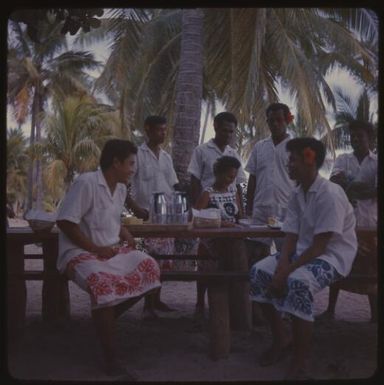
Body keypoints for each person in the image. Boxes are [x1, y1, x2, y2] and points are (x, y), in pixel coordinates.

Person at [249, 137, 357, 380]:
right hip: (304, 251)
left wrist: (285, 272)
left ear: (310, 160)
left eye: (293, 159)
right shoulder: (298, 192)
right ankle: (282, 339)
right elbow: (291, 235)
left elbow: (320, 247)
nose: (289, 164)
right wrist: (281, 265)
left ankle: (300, 361)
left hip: (332, 257)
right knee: (259, 273)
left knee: (298, 283)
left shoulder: (330, 194)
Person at [56, 139, 161, 379]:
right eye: (131, 164)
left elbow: (112, 217)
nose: (134, 169)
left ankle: (106, 316)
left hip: (110, 250)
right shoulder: (86, 183)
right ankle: (111, 359)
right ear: (116, 162)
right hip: (80, 253)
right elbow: (65, 222)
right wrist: (95, 248)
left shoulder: (122, 188)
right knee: (102, 284)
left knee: (150, 268)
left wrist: (125, 234)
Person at [187, 112, 247, 317]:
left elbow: (238, 186)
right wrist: (199, 207)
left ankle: (230, 306)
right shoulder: (202, 150)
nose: (228, 135)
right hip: (208, 211)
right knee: (205, 263)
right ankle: (199, 303)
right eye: (224, 130)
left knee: (229, 261)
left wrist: (242, 214)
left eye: (231, 131)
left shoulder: (234, 153)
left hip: (228, 210)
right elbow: (194, 180)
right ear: (215, 127)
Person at [318, 120, 377, 322]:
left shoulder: (377, 162)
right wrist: (362, 188)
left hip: (370, 222)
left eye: (360, 136)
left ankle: (375, 314)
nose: (355, 139)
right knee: (339, 261)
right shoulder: (343, 159)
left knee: (371, 266)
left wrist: (352, 187)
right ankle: (330, 309)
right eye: (352, 136)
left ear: (370, 139)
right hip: (346, 222)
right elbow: (336, 183)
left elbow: (377, 191)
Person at [125, 115, 179, 317]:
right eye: (158, 130)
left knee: (164, 261)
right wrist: (135, 208)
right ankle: (147, 305)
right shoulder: (138, 155)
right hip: (146, 216)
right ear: (147, 129)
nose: (162, 134)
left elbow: (172, 185)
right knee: (150, 260)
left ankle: (157, 299)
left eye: (165, 130)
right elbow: (125, 185)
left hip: (166, 216)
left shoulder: (166, 157)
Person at [245, 102, 296, 259]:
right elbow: (252, 177)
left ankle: (282, 283)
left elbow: (301, 180)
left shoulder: (295, 147)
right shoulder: (259, 147)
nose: (275, 124)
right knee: (256, 252)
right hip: (261, 210)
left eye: (279, 120)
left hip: (287, 209)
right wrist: (249, 208)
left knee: (287, 254)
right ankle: (258, 283)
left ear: (287, 121)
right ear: (267, 122)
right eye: (271, 120)